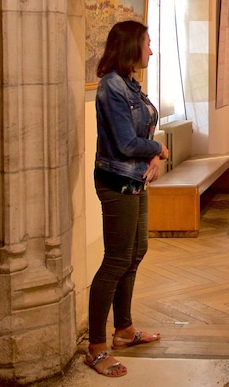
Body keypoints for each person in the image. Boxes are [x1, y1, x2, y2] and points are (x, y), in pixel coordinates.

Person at [85, 20, 169, 377]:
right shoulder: (110, 88)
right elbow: (124, 143)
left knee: (136, 252)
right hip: (117, 182)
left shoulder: (131, 85)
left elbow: (139, 134)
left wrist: (152, 155)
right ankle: (96, 346)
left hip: (136, 178)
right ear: (131, 46)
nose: (151, 49)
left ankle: (124, 330)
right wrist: (159, 149)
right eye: (148, 43)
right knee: (116, 260)